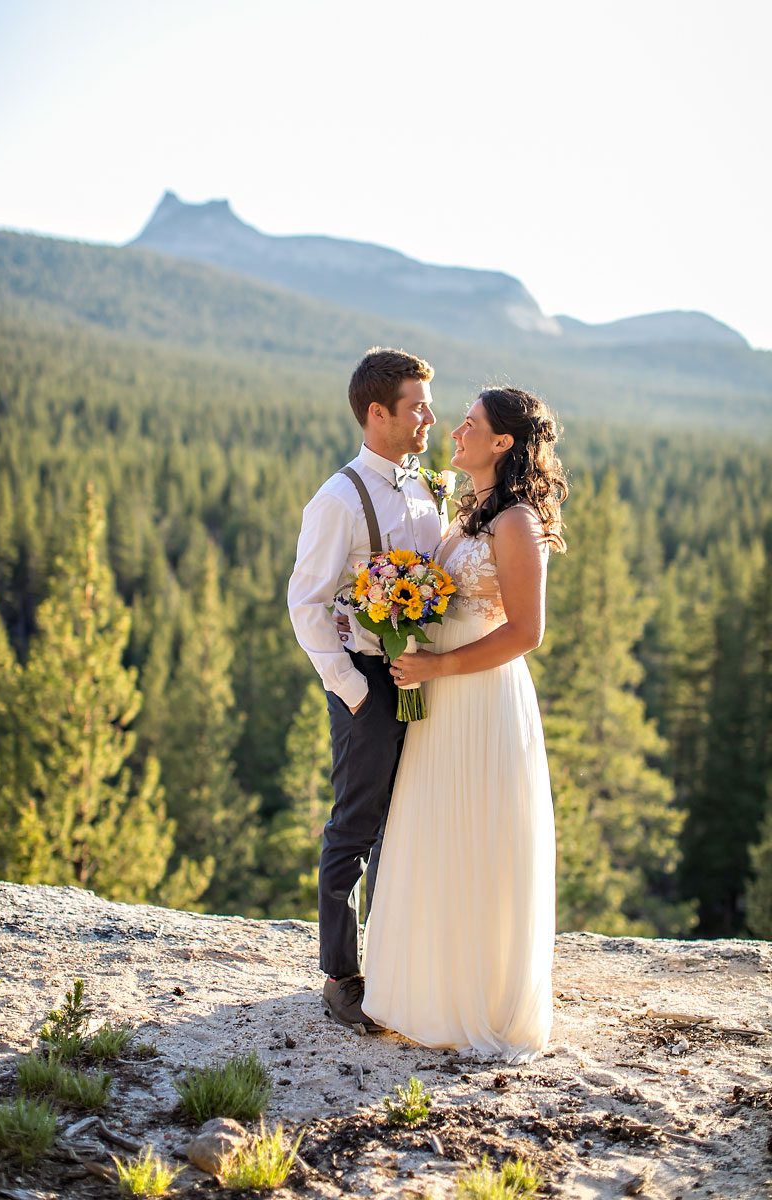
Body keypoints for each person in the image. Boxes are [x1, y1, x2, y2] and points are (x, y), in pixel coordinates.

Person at [361, 386, 568, 1060]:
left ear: (503, 442)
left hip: (481, 700)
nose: (455, 429)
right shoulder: (468, 511)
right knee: (432, 830)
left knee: (476, 838)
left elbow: (528, 633)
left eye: (471, 424)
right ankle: (425, 994)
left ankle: (474, 1003)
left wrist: (441, 671)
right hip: (439, 700)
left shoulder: (515, 522)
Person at [287, 347, 448, 1031]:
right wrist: (352, 689)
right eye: (417, 407)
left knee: (407, 822)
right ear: (377, 413)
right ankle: (340, 974)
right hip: (368, 681)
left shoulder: (425, 486)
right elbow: (306, 603)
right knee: (355, 827)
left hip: (426, 676)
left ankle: (394, 962)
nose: (429, 418)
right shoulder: (336, 499)